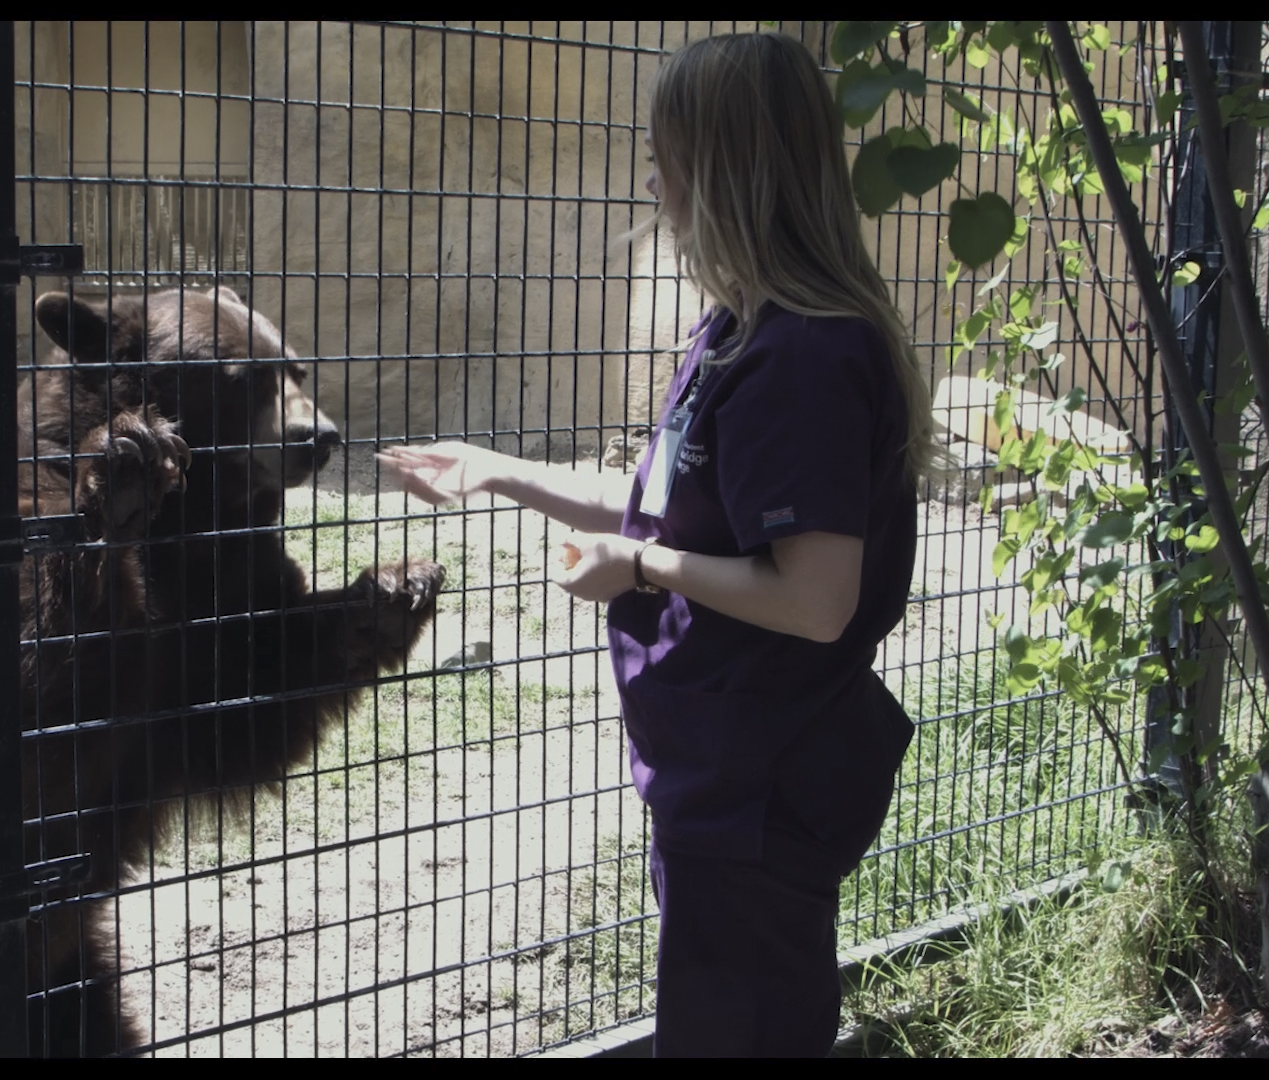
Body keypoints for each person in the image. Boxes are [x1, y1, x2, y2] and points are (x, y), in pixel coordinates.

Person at [378, 31, 935, 1058]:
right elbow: (662, 508)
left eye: (666, 151)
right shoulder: (739, 331)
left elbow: (815, 599)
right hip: (728, 778)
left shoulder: (803, 358)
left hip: (762, 789)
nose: (651, 177)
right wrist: (497, 470)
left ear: (728, 169)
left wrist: (639, 569)